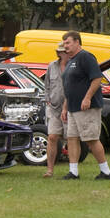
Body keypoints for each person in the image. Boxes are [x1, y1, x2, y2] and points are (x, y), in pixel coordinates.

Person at [59, 31, 110, 180]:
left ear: (77, 42)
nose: (66, 46)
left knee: (91, 139)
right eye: (64, 43)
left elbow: (97, 79)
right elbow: (69, 87)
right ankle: (73, 172)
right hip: (72, 107)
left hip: (86, 107)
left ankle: (106, 172)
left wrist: (87, 98)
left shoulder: (86, 57)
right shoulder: (70, 61)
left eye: (68, 43)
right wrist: (65, 107)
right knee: (72, 138)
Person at [43, 41, 70, 177]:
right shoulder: (52, 66)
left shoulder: (73, 65)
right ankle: (50, 170)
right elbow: (46, 84)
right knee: (52, 137)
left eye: (64, 51)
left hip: (71, 108)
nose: (62, 54)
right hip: (54, 108)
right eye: (60, 52)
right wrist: (47, 98)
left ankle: (73, 170)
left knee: (71, 138)